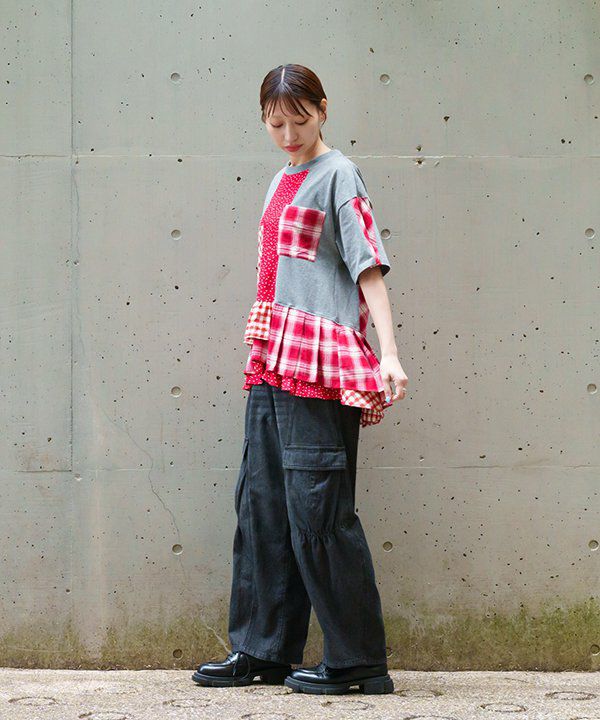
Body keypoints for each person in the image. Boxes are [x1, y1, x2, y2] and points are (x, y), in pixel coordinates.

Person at [193, 64, 408, 695]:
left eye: (300, 119)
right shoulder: (280, 179)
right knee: (261, 506)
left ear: (323, 110)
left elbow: (368, 267)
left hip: (318, 362)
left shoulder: (339, 175)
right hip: (271, 356)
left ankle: (358, 660)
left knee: (319, 510)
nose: (288, 134)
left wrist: (388, 353)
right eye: (275, 123)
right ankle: (262, 651)